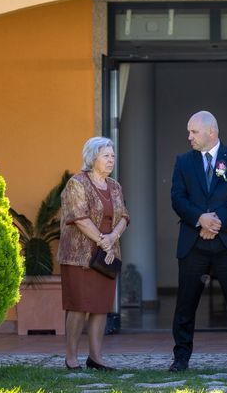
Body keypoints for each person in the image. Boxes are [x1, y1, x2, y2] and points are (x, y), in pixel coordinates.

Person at [169, 111, 227, 372]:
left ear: (211, 132)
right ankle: (181, 357)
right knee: (186, 303)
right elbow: (177, 198)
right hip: (193, 243)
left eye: (193, 132)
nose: (189, 137)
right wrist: (200, 218)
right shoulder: (183, 161)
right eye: (189, 132)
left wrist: (216, 221)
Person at [58, 137, 129, 371]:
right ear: (92, 158)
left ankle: (96, 358)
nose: (111, 160)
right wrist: (103, 240)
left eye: (112, 155)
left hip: (106, 256)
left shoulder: (115, 186)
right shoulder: (77, 183)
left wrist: (112, 239)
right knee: (78, 306)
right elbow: (79, 217)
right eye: (106, 155)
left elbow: (125, 217)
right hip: (79, 257)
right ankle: (71, 358)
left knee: (101, 306)